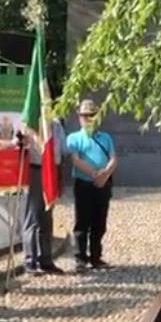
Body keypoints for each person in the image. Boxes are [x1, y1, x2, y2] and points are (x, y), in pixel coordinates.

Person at [66, 99, 116, 273]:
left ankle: (96, 257)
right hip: (84, 184)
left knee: (100, 222)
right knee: (82, 222)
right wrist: (94, 174)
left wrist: (105, 174)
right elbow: (75, 160)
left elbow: (113, 159)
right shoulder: (74, 138)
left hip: (103, 184)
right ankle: (80, 258)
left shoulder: (106, 138)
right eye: (85, 116)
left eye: (92, 116)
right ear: (79, 117)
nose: (88, 119)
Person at [20, 117, 66, 275]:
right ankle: (30, 259)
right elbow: (21, 145)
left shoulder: (56, 124)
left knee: (47, 216)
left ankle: (46, 259)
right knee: (31, 216)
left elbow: (63, 148)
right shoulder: (29, 122)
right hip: (34, 170)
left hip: (52, 170)